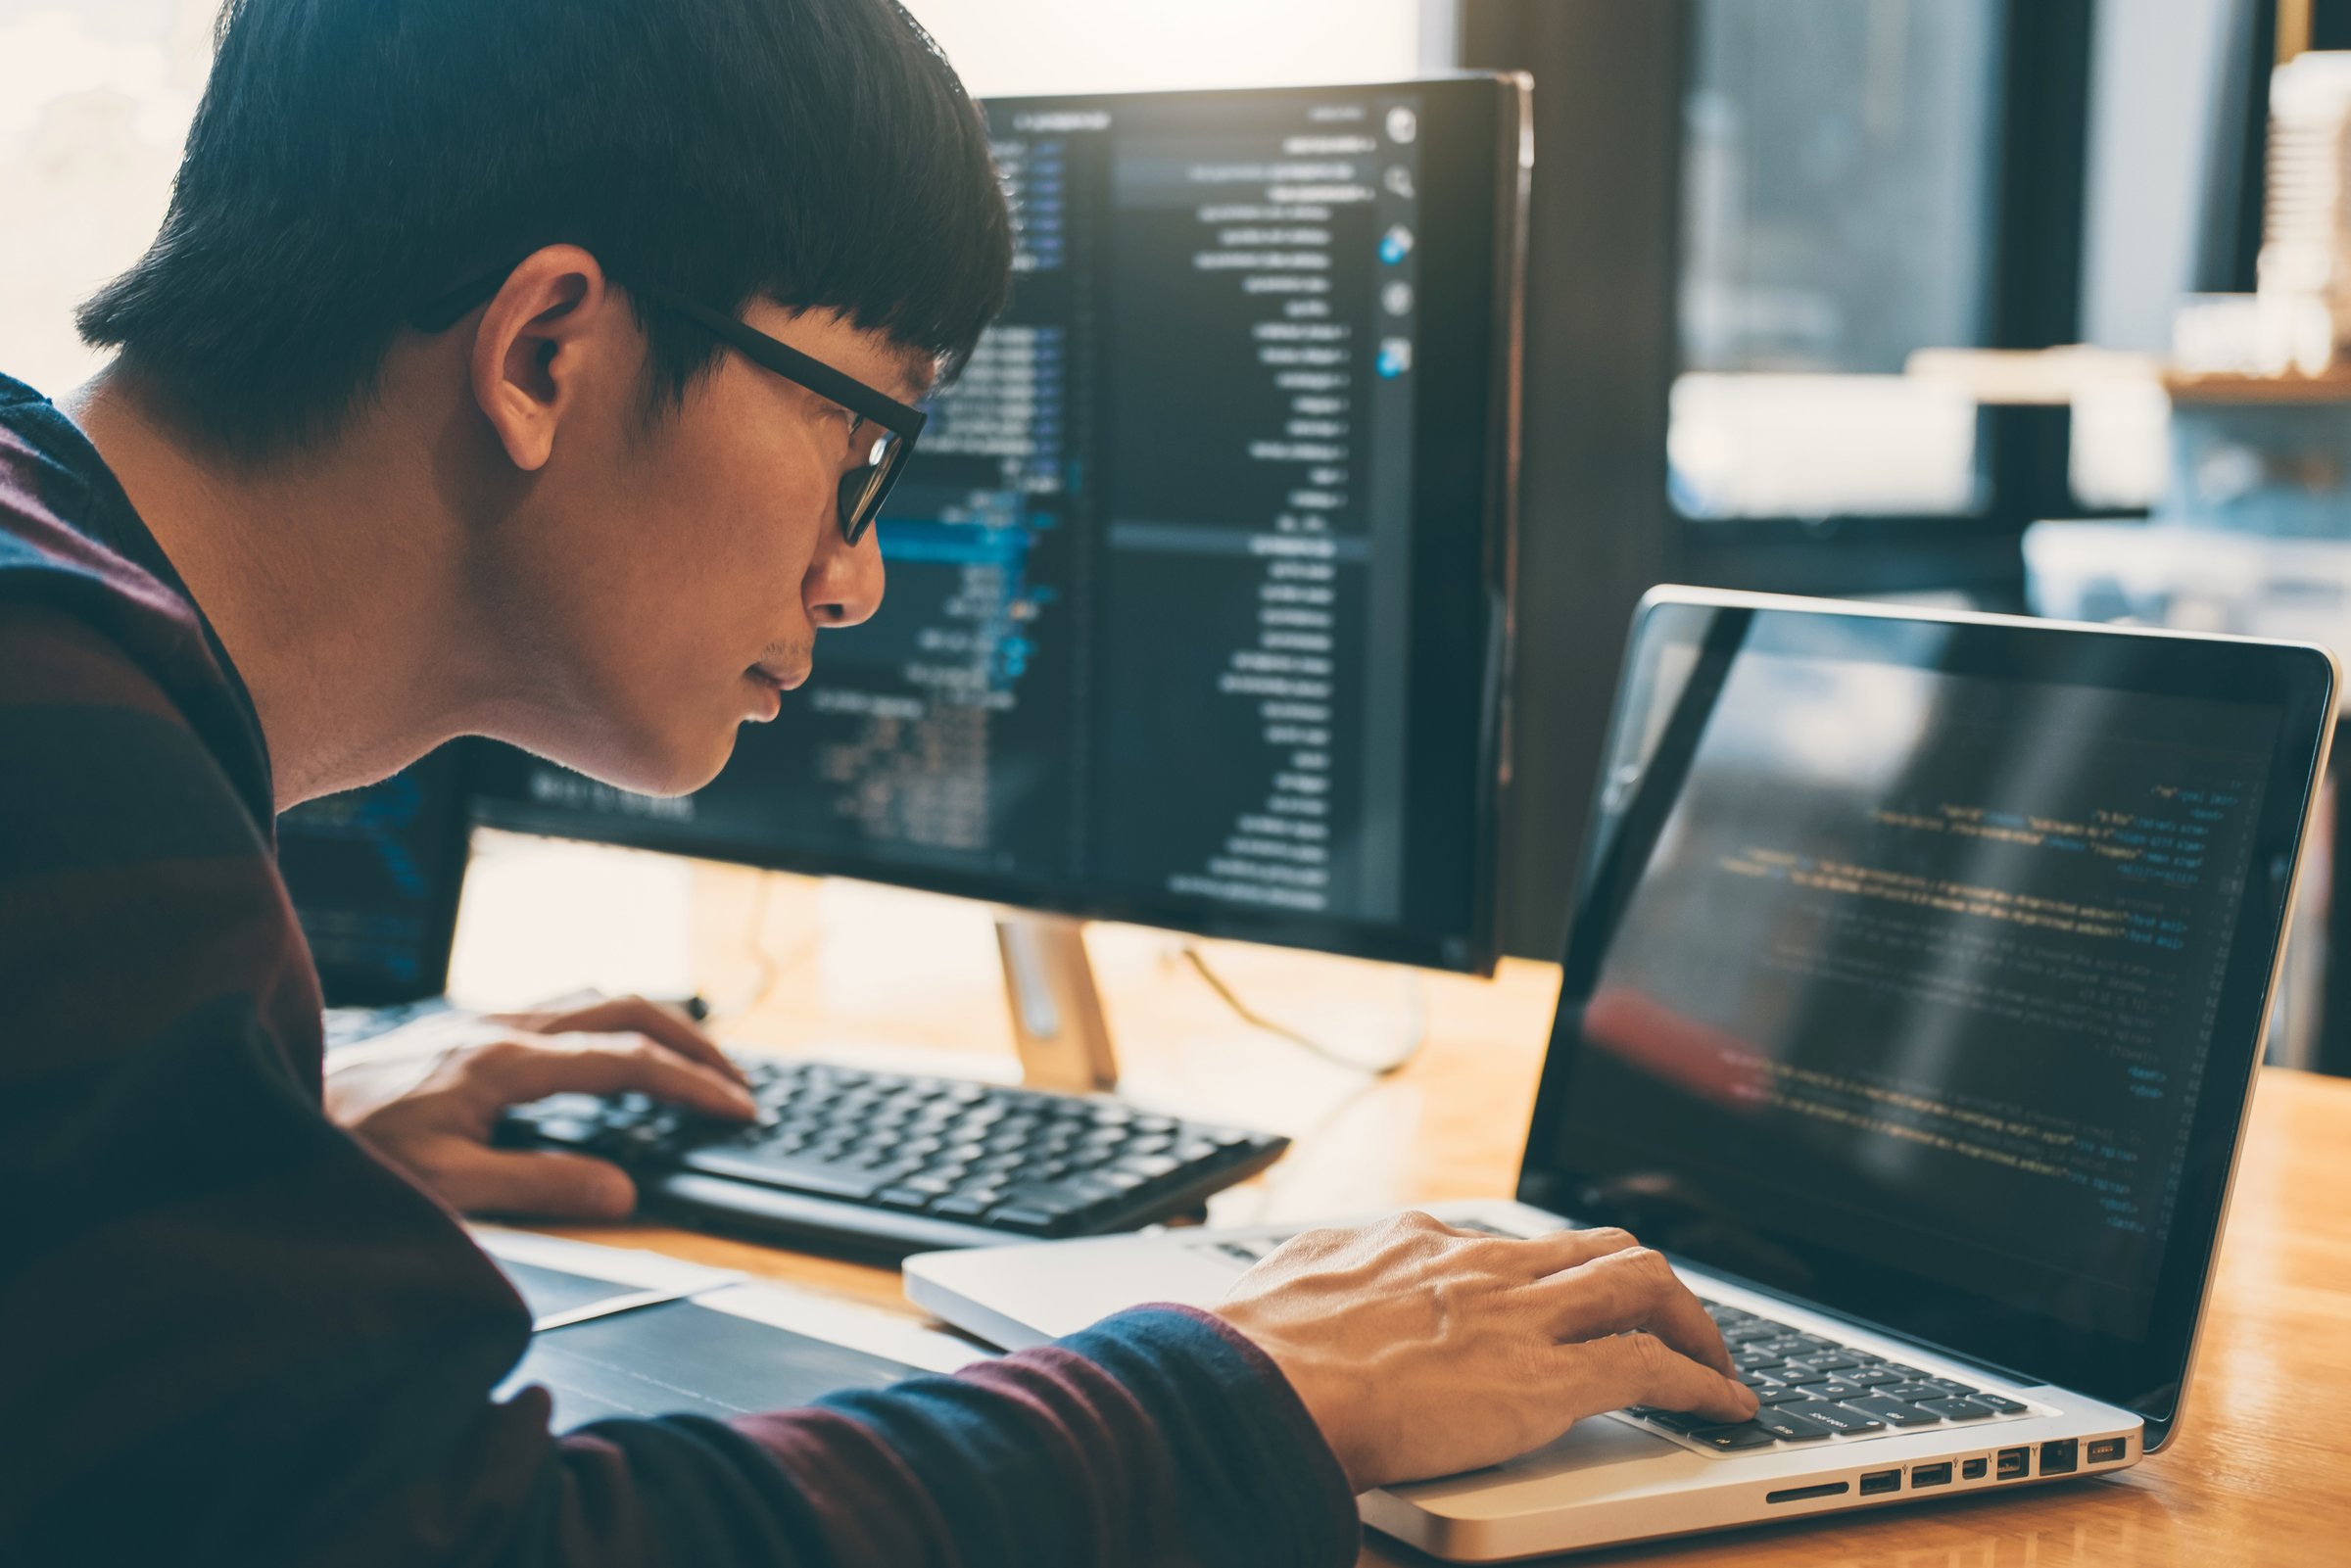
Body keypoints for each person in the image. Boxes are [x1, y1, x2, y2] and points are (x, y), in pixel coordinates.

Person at [0, 0, 1756, 1563]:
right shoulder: (66, 759)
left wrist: (257, 1141)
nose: (858, 578)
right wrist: (1256, 1388)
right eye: (865, 440)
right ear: (545, 352)